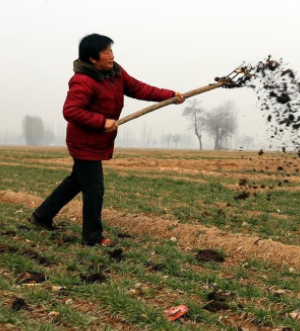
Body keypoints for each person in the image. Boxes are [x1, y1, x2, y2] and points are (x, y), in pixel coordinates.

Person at [28, 33, 184, 247]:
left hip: (97, 141)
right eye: (106, 52)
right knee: (94, 189)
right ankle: (92, 237)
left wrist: (169, 95)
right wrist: (101, 122)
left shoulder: (116, 72)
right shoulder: (83, 81)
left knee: (76, 181)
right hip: (83, 142)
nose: (111, 55)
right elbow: (71, 110)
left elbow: (139, 88)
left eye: (111, 50)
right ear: (93, 58)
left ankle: (42, 216)